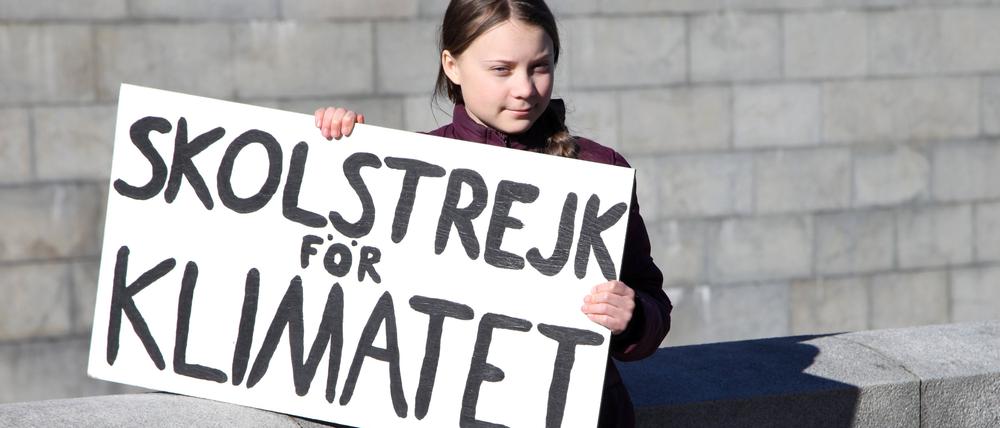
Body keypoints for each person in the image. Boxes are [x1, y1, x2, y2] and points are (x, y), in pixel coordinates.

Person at [314, 0, 671, 426]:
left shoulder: (599, 169)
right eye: (501, 70)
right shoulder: (411, 168)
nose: (524, 88)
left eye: (539, 67)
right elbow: (332, 284)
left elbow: (652, 300)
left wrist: (632, 317)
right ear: (453, 65)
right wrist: (332, 150)